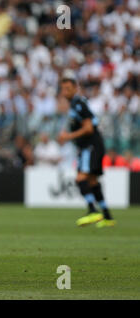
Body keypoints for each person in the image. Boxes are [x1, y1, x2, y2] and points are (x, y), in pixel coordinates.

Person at [58, 72, 115, 228]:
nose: (65, 92)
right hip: (93, 146)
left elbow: (89, 128)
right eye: (63, 89)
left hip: (90, 146)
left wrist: (69, 136)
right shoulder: (76, 104)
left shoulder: (78, 104)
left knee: (80, 179)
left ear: (75, 88)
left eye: (68, 88)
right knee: (92, 180)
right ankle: (107, 216)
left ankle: (92, 211)